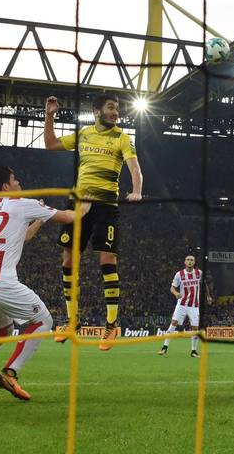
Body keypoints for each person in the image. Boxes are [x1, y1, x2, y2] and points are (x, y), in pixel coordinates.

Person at [0, 165, 84, 400]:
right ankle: (10, 373)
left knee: (2, 330)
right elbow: (69, 217)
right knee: (43, 320)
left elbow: (22, 236)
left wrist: (38, 219)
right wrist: (88, 203)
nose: (19, 183)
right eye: (15, 180)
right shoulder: (22, 203)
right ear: (6, 185)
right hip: (0, 281)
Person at [43, 94, 143, 350]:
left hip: (106, 206)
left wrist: (137, 189)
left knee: (107, 260)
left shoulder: (122, 137)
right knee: (67, 259)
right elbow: (51, 144)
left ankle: (112, 325)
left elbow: (135, 168)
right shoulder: (84, 134)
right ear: (96, 111)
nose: (116, 112)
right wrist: (50, 115)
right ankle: (71, 320)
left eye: (117, 108)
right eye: (111, 107)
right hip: (78, 203)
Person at [158, 255, 212, 357]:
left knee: (195, 328)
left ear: (194, 262)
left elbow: (204, 284)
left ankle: (194, 351)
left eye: (192, 260)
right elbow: (172, 288)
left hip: (194, 306)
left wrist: (208, 296)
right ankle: (164, 347)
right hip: (182, 304)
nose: (190, 261)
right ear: (185, 262)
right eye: (188, 260)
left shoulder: (199, 273)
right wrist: (176, 293)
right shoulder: (179, 274)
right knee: (173, 323)